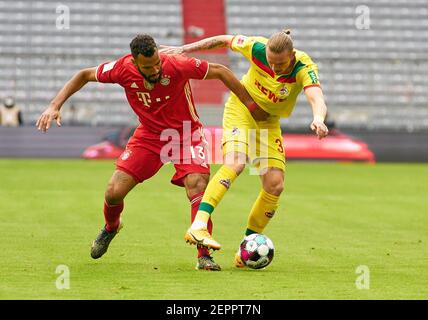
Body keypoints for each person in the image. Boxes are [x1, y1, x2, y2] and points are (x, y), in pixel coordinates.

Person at [36, 34, 261, 271]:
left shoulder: (175, 64)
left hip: (186, 134)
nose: (155, 70)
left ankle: (204, 256)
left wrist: (251, 106)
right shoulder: (122, 69)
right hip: (149, 136)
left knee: (197, 185)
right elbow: (84, 75)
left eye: (157, 63)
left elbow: (220, 70)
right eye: (148, 67)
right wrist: (54, 105)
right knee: (114, 192)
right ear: (134, 62)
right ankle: (111, 227)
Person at [161, 29, 329, 267]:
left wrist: (318, 118)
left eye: (280, 64)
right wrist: (184, 49)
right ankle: (199, 224)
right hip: (241, 110)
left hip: (268, 122)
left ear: (292, 55)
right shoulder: (257, 47)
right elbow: (223, 39)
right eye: (271, 63)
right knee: (237, 162)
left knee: (275, 185)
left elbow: (316, 97)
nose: (275, 68)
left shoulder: (303, 66)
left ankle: (247, 247)